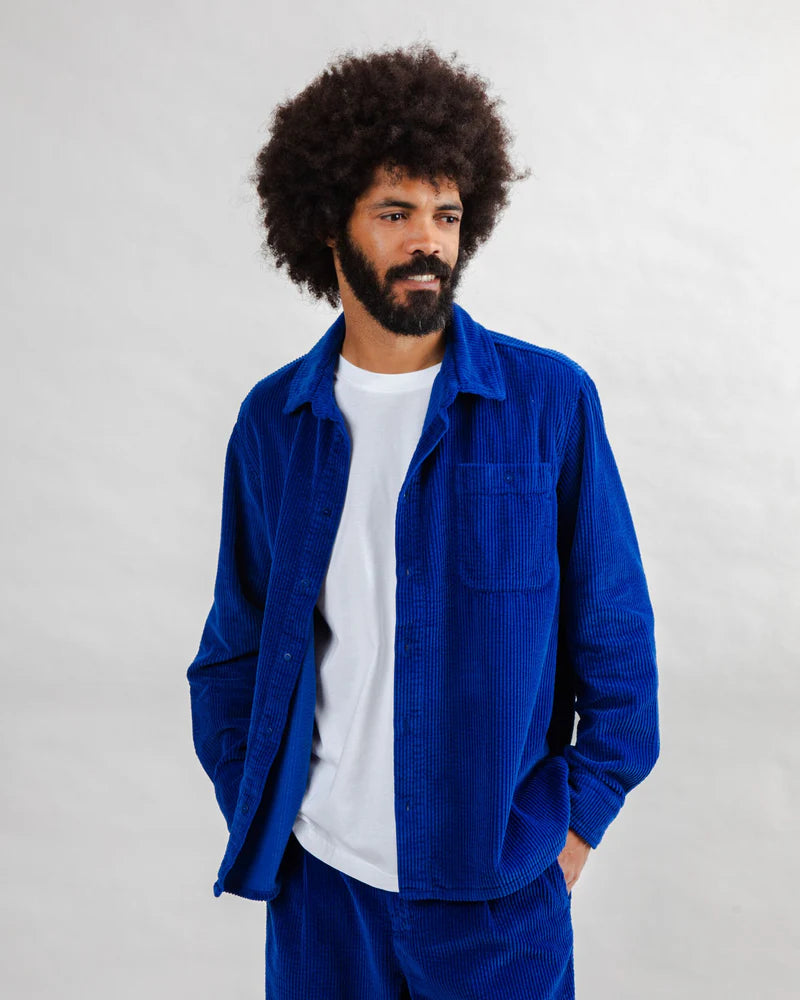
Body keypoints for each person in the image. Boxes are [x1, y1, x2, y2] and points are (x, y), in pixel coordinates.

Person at [187, 44, 660, 1000]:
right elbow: (236, 649)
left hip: (497, 898)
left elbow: (616, 641)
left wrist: (573, 829)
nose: (429, 242)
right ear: (329, 225)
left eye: (446, 214)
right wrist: (266, 802)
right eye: (396, 213)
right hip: (321, 895)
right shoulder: (274, 423)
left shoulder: (548, 403)